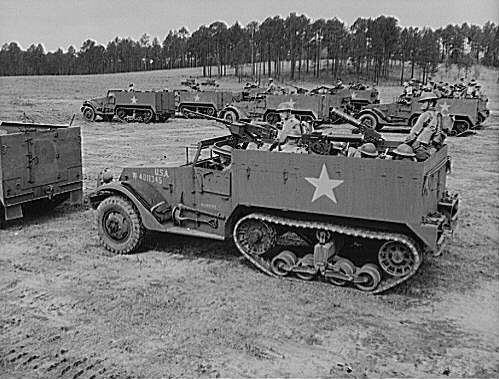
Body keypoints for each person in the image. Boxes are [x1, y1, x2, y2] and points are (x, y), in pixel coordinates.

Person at [404, 92, 446, 161]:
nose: (422, 105)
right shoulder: (437, 114)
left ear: (431, 103)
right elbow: (439, 132)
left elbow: (415, 131)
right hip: (431, 146)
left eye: (424, 102)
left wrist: (406, 142)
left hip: (419, 145)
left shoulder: (425, 115)